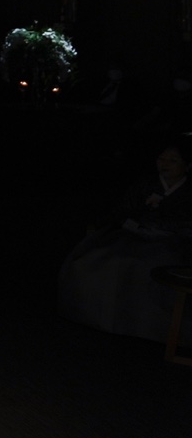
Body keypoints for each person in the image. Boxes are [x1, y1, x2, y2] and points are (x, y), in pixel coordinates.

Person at [58, 136, 192, 345]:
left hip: (173, 241)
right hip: (134, 235)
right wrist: (124, 223)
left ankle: (151, 327)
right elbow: (122, 210)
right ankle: (101, 318)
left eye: (173, 160)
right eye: (161, 159)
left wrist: (166, 226)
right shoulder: (145, 184)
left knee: (147, 265)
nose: (165, 164)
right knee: (106, 258)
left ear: (187, 165)